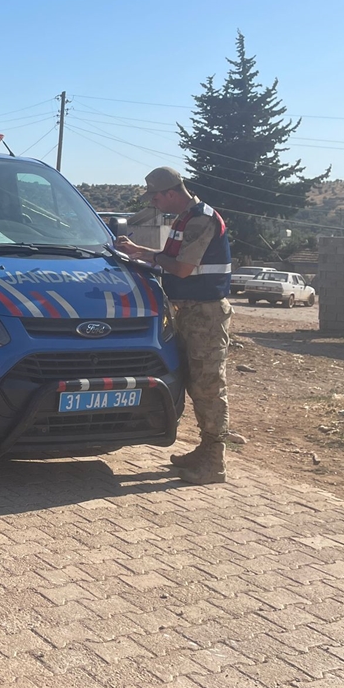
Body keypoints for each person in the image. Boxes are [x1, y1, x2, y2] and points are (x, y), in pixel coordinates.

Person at [113, 166, 232, 484]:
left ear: (169, 192)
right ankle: (205, 450)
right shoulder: (185, 218)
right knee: (195, 383)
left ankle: (214, 459)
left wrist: (150, 258)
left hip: (205, 314)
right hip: (189, 311)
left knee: (208, 385)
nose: (153, 203)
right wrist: (140, 253)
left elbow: (181, 268)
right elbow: (173, 262)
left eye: (155, 196)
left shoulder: (201, 219)